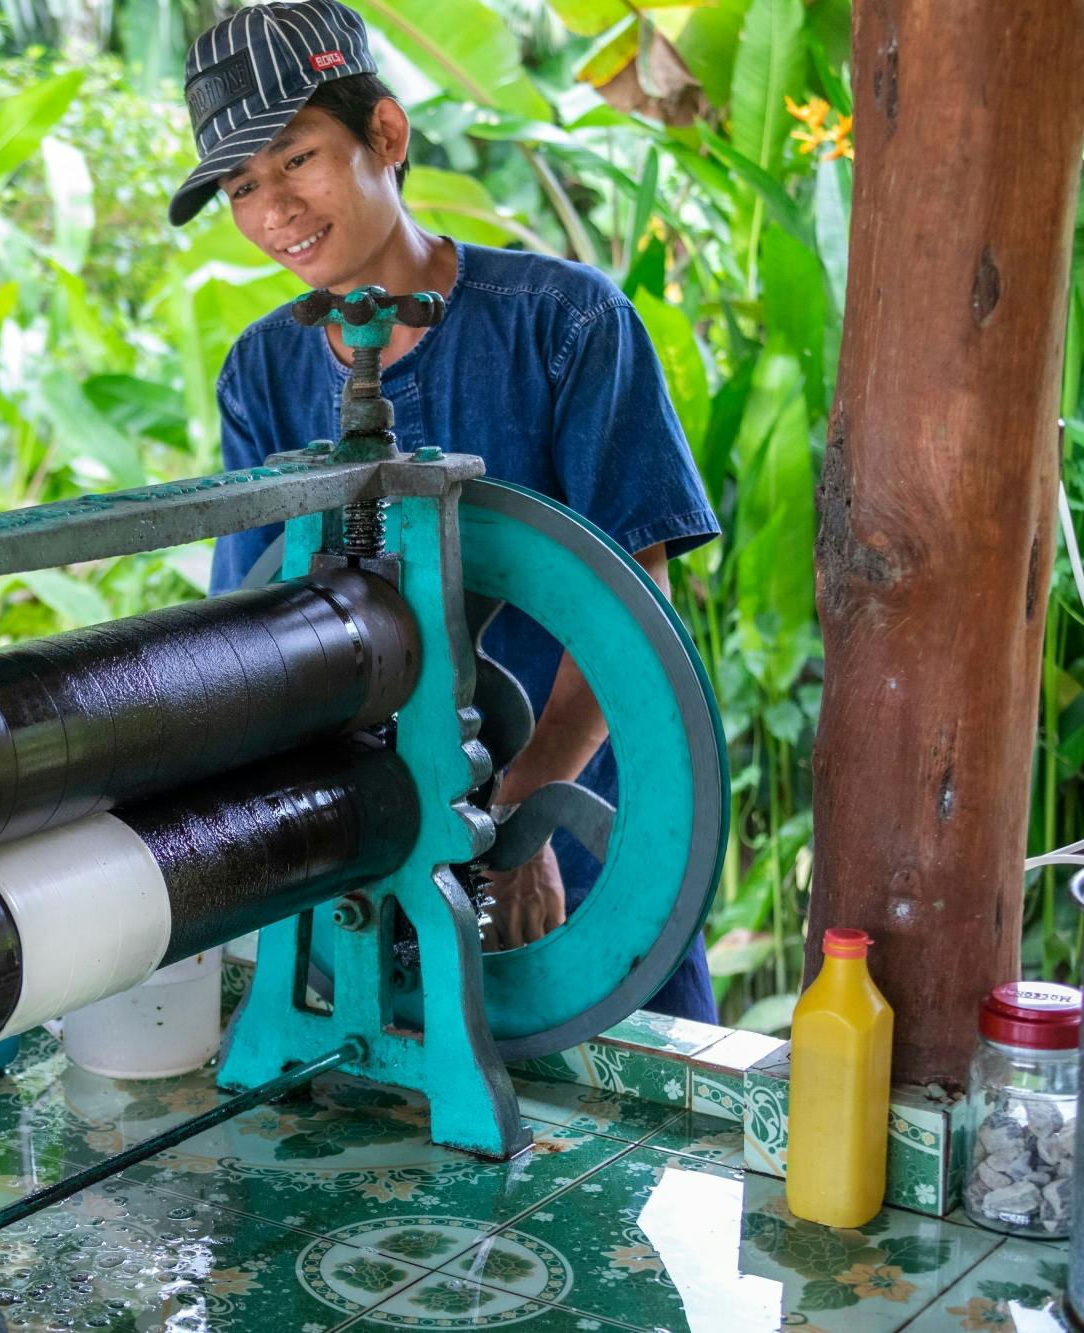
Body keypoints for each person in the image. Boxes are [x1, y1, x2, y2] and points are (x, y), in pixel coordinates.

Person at [174, 1, 721, 1021]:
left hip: (576, 822)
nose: (272, 212)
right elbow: (254, 632)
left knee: (635, 1117)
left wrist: (518, 820)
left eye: (295, 160)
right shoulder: (257, 370)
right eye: (240, 188)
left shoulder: (566, 323)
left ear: (384, 133)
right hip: (369, 845)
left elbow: (628, 609)